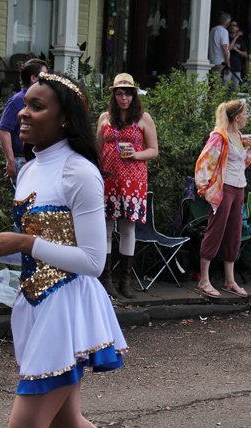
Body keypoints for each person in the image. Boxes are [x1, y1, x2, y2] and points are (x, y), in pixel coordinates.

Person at [0, 72, 157, 428]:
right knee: (64, 421)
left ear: (65, 118)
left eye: (37, 106)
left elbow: (92, 260)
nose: (23, 114)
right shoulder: (30, 168)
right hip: (35, 304)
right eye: (24, 104)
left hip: (65, 309)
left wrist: (24, 242)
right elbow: (37, 249)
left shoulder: (79, 172)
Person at [96, 73, 159, 298]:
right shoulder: (105, 118)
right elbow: (98, 148)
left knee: (127, 229)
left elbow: (154, 150)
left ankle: (125, 279)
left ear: (134, 96)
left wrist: (136, 154)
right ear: (114, 96)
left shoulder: (143, 118)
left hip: (133, 180)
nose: (124, 98)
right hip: (108, 179)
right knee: (105, 227)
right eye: (120, 94)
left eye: (128, 94)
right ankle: (106, 278)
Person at [194, 99, 251, 298]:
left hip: (239, 189)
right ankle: (204, 280)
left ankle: (229, 280)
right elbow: (204, 162)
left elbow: (242, 164)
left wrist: (250, 149)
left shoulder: (239, 136)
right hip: (224, 188)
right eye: (245, 113)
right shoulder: (219, 136)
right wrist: (205, 190)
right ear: (236, 117)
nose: (247, 117)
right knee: (215, 231)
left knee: (234, 233)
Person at [0, 58, 49, 186]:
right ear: (33, 78)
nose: (47, 79)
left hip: (37, 159)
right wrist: (11, 161)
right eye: (44, 75)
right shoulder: (17, 101)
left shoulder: (41, 100)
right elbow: (3, 130)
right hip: (21, 160)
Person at [208, 12, 232, 81]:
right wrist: (228, 63)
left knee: (212, 81)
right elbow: (224, 47)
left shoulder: (213, 30)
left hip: (212, 60)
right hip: (220, 62)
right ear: (228, 23)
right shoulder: (224, 31)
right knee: (218, 82)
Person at [227, 20, 248, 91]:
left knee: (235, 89)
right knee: (224, 88)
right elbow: (229, 48)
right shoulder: (226, 38)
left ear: (237, 28)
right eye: (231, 25)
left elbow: (245, 54)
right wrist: (236, 37)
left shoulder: (241, 41)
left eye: (234, 25)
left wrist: (237, 50)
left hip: (237, 68)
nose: (232, 27)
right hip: (227, 68)